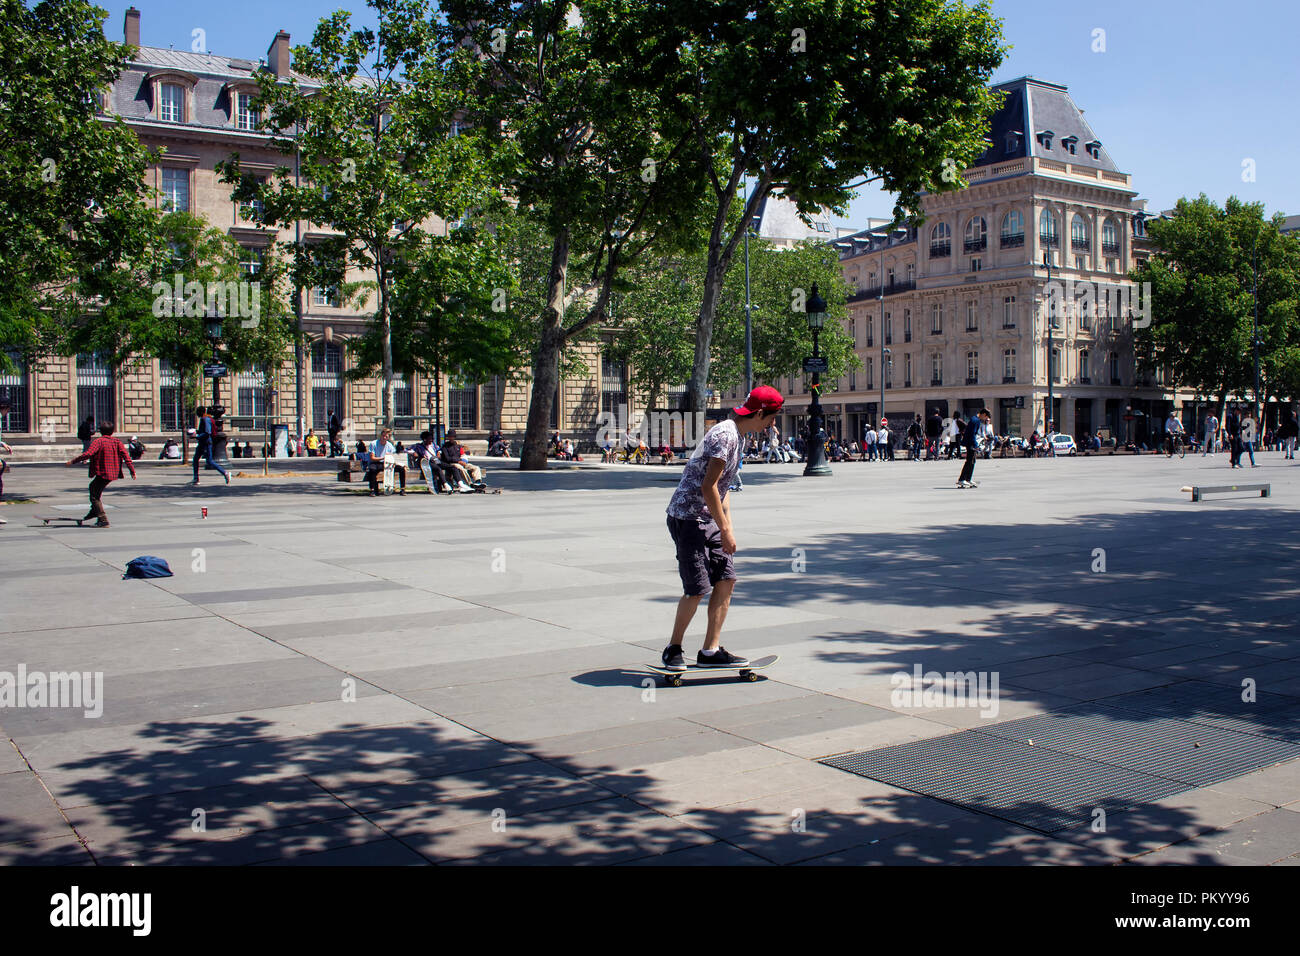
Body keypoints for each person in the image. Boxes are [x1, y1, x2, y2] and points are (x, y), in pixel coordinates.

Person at [661, 386, 784, 673]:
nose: (773, 424)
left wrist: (727, 527)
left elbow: (723, 487)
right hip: (688, 517)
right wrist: (726, 530)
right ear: (761, 413)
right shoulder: (725, 435)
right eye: (773, 417)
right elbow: (708, 486)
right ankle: (673, 649)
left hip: (709, 519)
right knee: (697, 589)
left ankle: (710, 650)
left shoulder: (738, 437)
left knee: (726, 579)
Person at [66, 421, 135, 527]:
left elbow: (88, 453)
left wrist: (73, 461)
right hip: (113, 472)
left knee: (94, 495)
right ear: (112, 431)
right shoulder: (117, 442)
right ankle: (95, 511)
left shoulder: (99, 441)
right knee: (93, 488)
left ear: (100, 431)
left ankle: (102, 519)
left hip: (103, 472)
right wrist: (132, 471)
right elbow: (127, 457)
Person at [191, 406, 230, 486]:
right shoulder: (205, 419)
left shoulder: (205, 419)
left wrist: (197, 436)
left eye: (197, 413)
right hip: (203, 442)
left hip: (206, 442)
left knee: (209, 461)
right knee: (196, 459)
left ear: (200, 412)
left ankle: (225, 473)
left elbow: (207, 432)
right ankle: (195, 478)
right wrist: (196, 432)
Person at [957, 407, 992, 488]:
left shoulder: (975, 419)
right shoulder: (975, 421)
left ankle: (968, 479)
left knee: (972, 461)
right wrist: (975, 445)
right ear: (983, 414)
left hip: (970, 443)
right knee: (969, 461)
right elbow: (972, 434)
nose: (985, 419)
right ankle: (962, 479)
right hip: (970, 443)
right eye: (986, 417)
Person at [366, 427, 406, 495]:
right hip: (376, 462)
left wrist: (391, 458)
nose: (384, 438)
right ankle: (372, 490)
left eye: (386, 436)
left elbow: (393, 456)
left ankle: (402, 489)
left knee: (402, 469)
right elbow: (372, 457)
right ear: (381, 435)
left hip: (387, 463)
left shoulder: (389, 445)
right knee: (372, 469)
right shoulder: (374, 443)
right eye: (383, 436)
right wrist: (382, 458)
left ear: (388, 437)